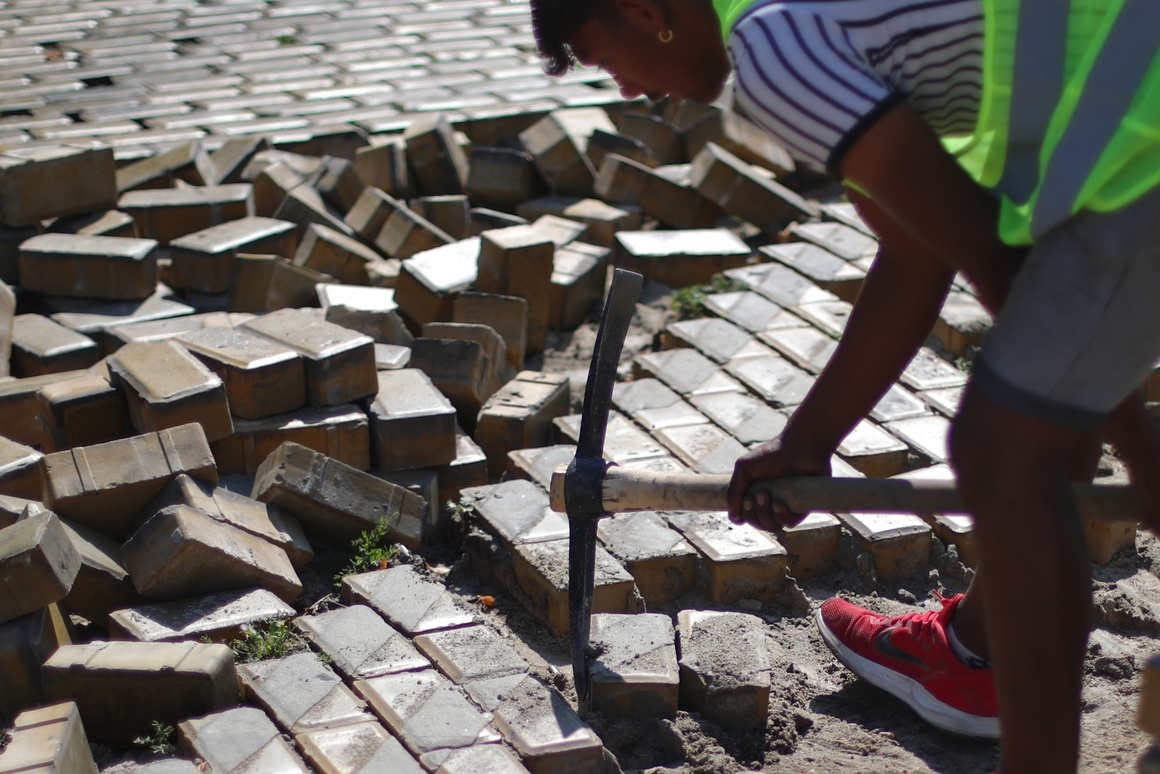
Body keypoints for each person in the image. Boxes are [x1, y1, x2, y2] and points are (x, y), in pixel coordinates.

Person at [529, 0, 1160, 771]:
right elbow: (916, 251)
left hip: (1142, 120)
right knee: (1035, 429)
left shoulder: (770, 52)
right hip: (1125, 109)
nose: (627, 89)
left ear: (645, 11)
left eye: (607, 60)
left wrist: (1141, 449)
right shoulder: (794, 23)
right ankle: (973, 657)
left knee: (1003, 447)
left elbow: (995, 262)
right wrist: (805, 443)